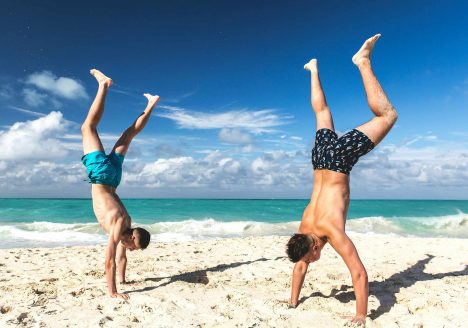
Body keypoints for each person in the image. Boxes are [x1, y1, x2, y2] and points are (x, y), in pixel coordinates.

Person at [286, 34, 398, 326]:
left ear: (312, 248)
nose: (309, 263)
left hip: (338, 162)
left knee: (387, 115)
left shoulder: (329, 231)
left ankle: (362, 62)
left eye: (310, 259)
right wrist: (292, 301)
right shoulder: (303, 229)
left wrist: (361, 315)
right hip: (320, 160)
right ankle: (313, 69)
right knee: (322, 113)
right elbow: (298, 268)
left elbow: (359, 273)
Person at [81, 69, 159, 299]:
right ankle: (104, 85)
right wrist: (114, 291)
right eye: (134, 247)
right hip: (103, 176)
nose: (130, 250)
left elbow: (122, 255)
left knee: (128, 135)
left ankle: (152, 103)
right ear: (133, 238)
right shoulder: (118, 226)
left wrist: (124, 280)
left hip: (114, 178)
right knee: (88, 128)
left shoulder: (128, 223)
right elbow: (110, 260)